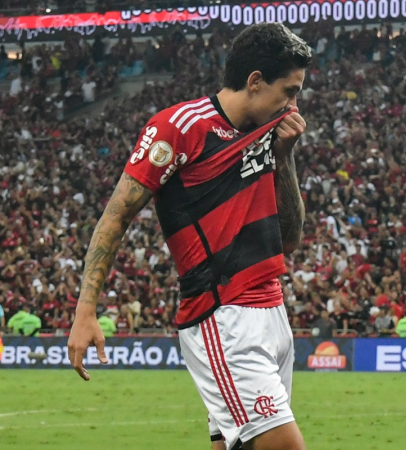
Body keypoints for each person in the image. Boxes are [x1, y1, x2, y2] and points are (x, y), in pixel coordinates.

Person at [67, 23, 312, 450]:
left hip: (272, 312)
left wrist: (283, 156)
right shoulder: (180, 127)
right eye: (288, 92)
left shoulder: (266, 133)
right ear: (255, 82)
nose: (293, 106)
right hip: (222, 315)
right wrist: (85, 310)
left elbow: (288, 240)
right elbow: (115, 217)